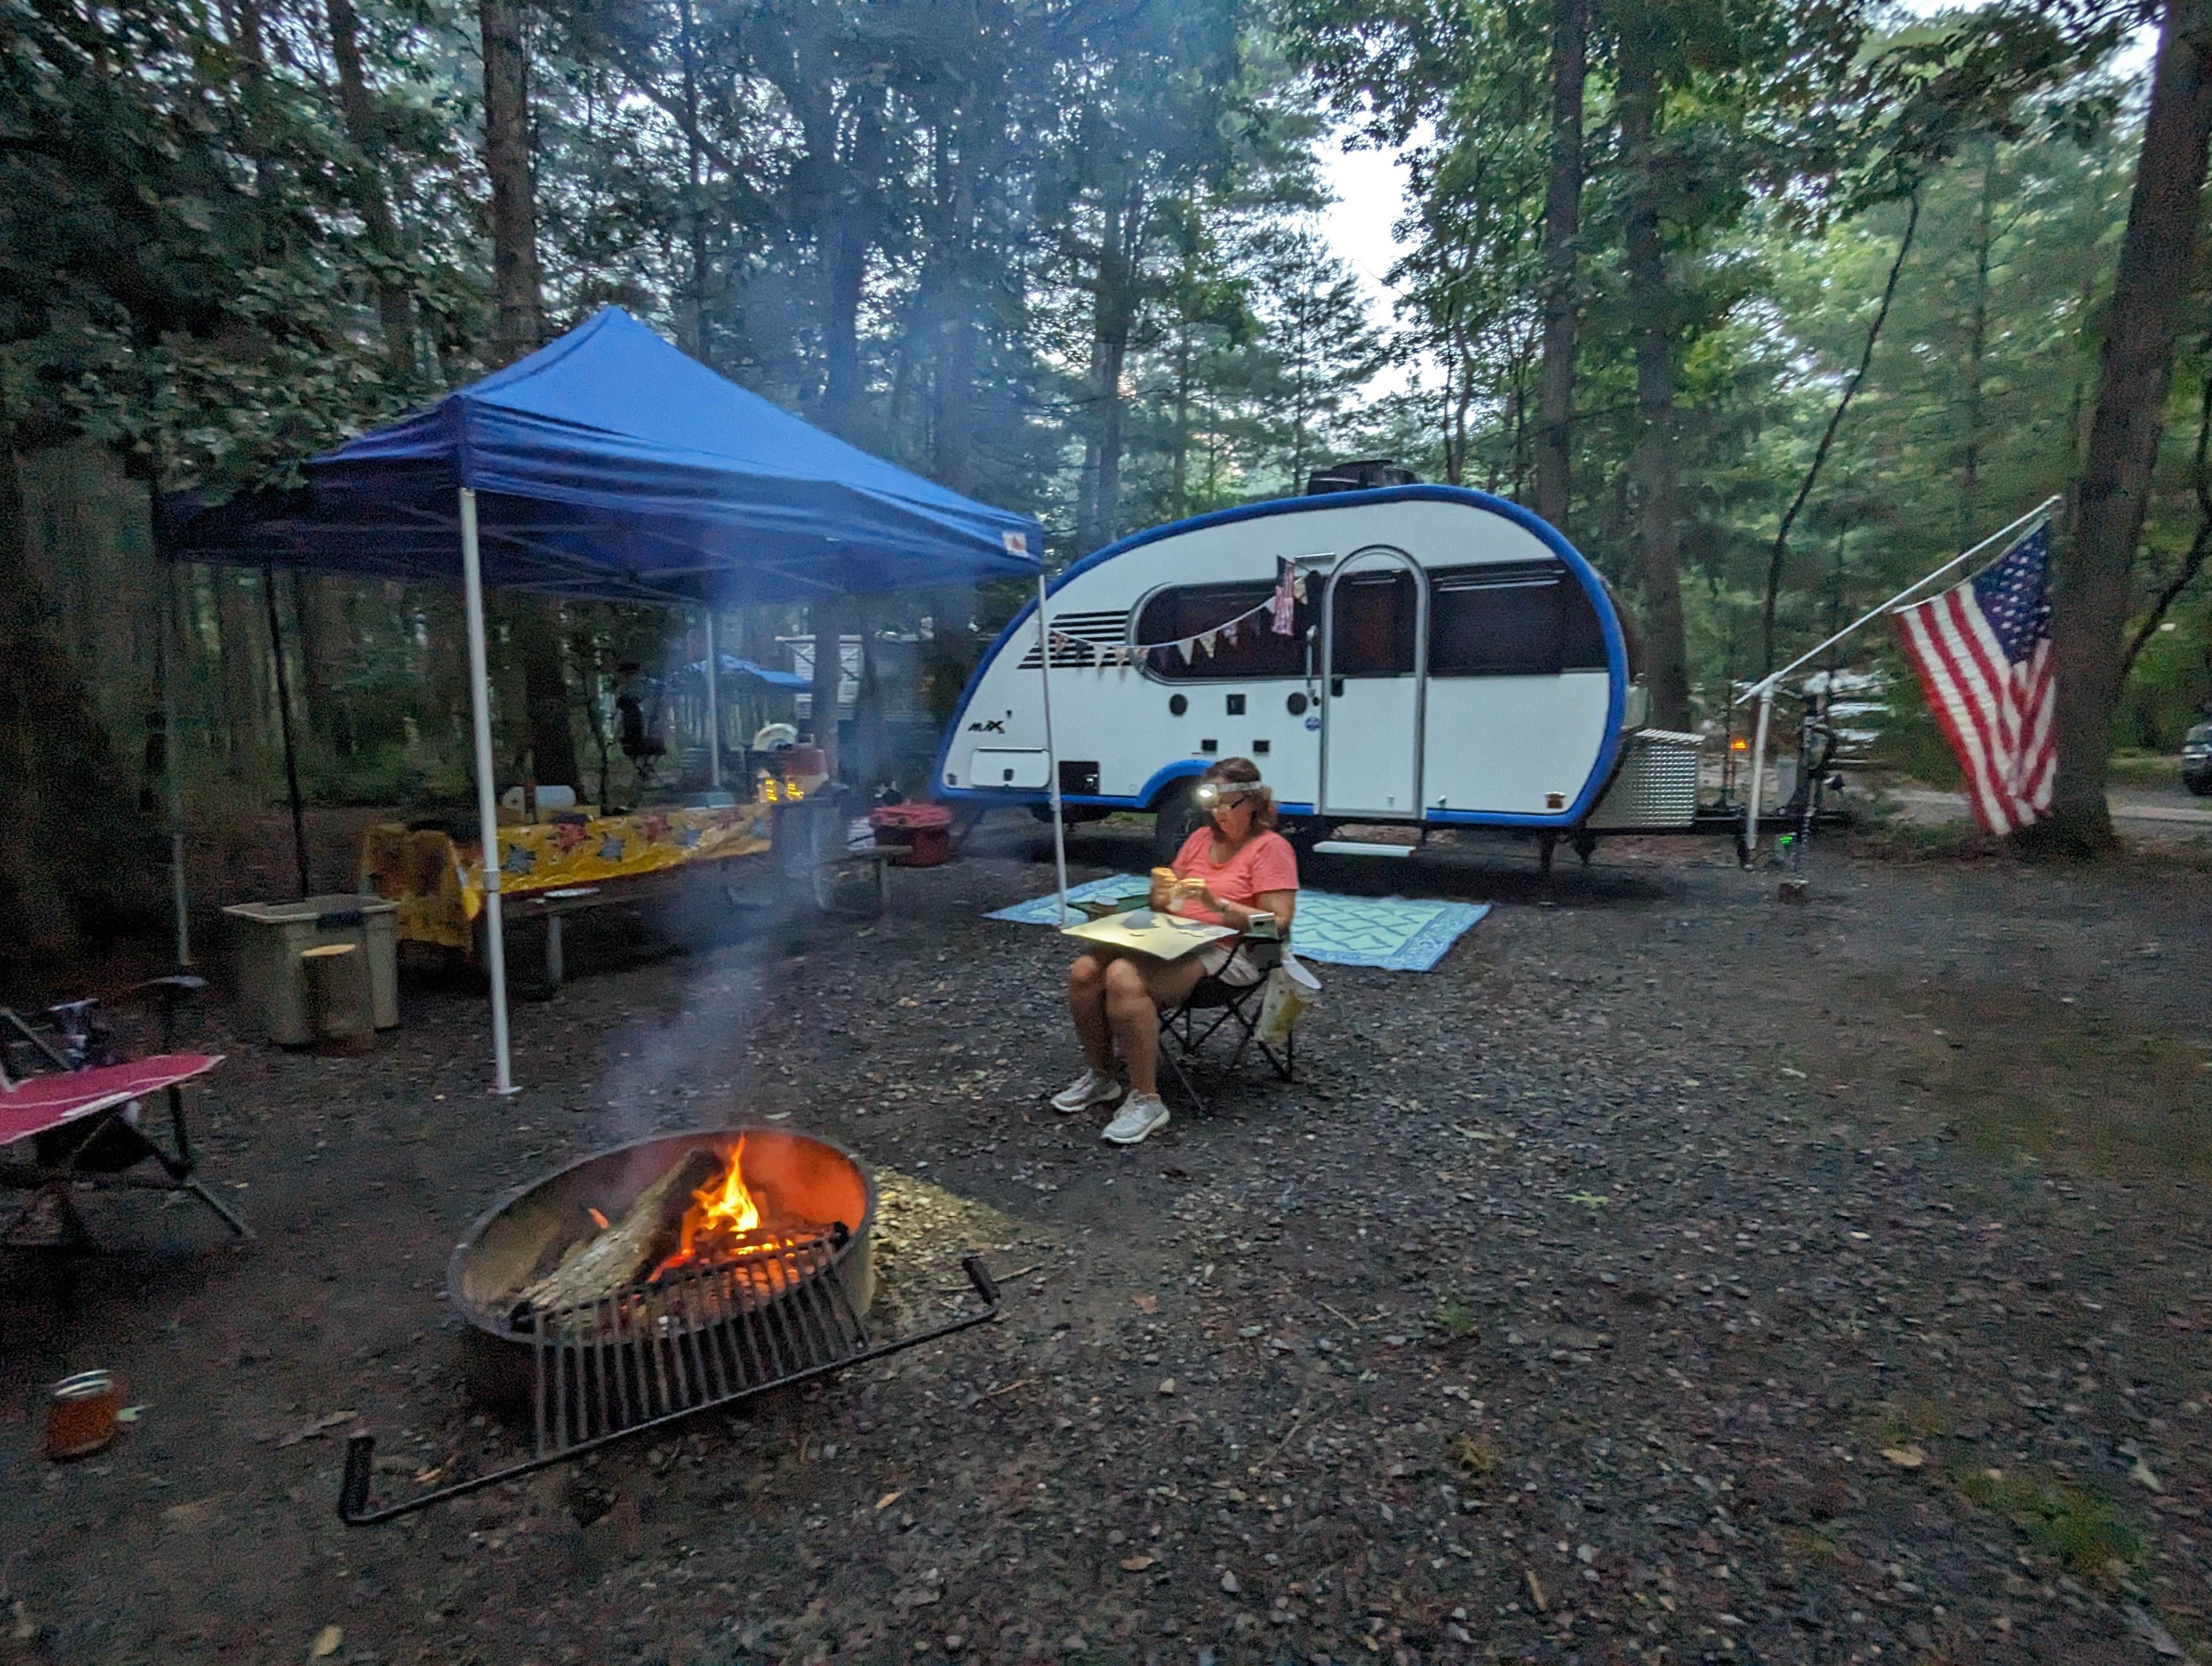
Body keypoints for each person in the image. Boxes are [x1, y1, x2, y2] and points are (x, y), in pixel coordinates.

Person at [1053, 757, 1299, 1145]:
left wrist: (1218, 906)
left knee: (1122, 976)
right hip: (1177, 935)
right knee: (1084, 970)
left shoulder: (1271, 849)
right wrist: (1160, 895)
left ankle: (1148, 1100)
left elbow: (1277, 925)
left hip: (1232, 951)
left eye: (1227, 804)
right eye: (1211, 804)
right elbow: (1167, 904)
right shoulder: (1200, 840)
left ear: (1254, 803)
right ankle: (1102, 1078)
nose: (1217, 813)